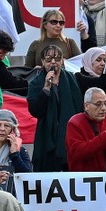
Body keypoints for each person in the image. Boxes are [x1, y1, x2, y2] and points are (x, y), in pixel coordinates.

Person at [27, 44, 84, 172]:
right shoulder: (36, 82)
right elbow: (35, 110)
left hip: (69, 137)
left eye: (57, 59)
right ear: (42, 62)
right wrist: (46, 88)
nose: (53, 62)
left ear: (62, 60)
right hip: (47, 138)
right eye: (48, 59)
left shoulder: (72, 78)